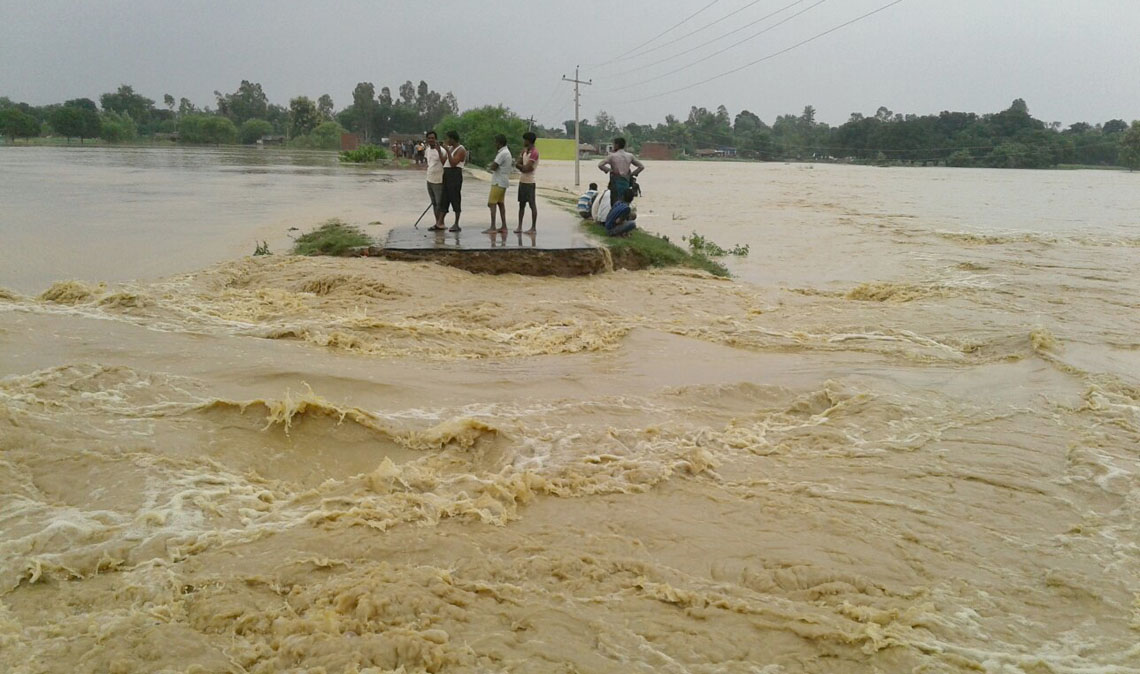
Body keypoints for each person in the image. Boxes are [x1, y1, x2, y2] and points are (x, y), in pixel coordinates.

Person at [438, 130, 467, 232]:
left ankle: (456, 223)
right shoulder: (450, 148)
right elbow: (443, 162)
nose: (446, 140)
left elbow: (453, 163)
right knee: (444, 198)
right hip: (447, 174)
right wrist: (439, 150)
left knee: (455, 198)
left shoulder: (461, 149)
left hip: (455, 175)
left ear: (452, 139)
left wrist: (448, 152)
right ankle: (440, 222)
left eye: (448, 138)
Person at [483, 134, 512, 234]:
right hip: (503, 181)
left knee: (492, 203)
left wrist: (490, 166)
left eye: (495, 142)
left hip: (498, 182)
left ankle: (493, 226)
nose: (494, 144)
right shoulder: (506, 152)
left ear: (499, 143)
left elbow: (494, 166)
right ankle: (504, 226)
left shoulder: (502, 153)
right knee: (500, 203)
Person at [514, 131, 539, 233]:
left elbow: (526, 168)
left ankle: (533, 227)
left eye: (525, 140)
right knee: (521, 205)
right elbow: (520, 165)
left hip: (530, 182)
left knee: (532, 204)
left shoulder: (534, 153)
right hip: (522, 181)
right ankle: (519, 226)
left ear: (529, 141)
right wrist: (522, 167)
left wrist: (521, 166)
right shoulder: (524, 152)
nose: (523, 141)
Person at [423, 130, 447, 231]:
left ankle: (440, 223)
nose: (431, 140)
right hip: (429, 179)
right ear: (427, 140)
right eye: (429, 138)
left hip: (439, 180)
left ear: (436, 139)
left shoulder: (442, 150)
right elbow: (428, 162)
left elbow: (445, 162)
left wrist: (438, 151)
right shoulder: (427, 150)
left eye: (433, 138)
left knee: (439, 203)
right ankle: (437, 223)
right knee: (434, 203)